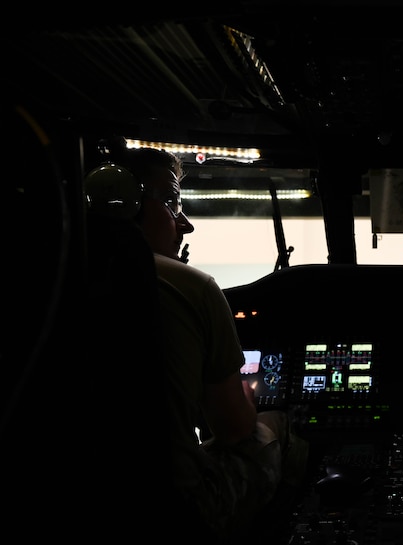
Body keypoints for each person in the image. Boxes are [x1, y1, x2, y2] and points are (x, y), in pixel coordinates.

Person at [84, 143, 299, 541]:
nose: (185, 223)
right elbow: (233, 428)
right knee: (273, 428)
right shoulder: (189, 285)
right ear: (124, 205)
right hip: (172, 512)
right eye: (170, 202)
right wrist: (246, 405)